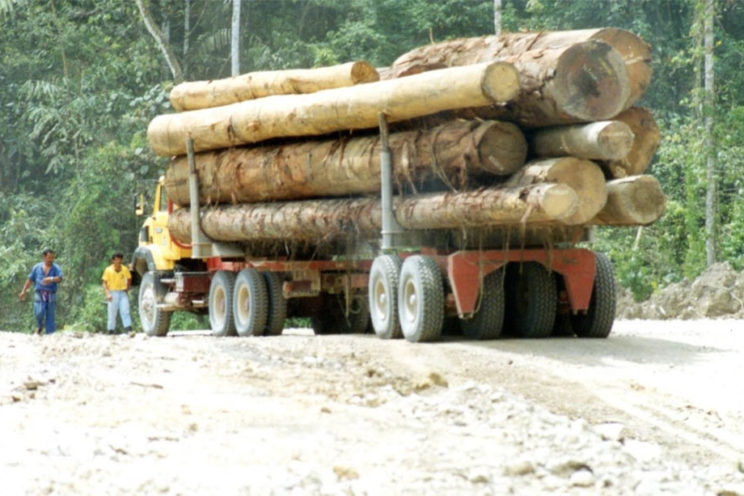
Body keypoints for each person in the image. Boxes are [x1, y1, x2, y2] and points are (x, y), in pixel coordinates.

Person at [19, 249, 63, 335]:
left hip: (51, 294)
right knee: (38, 312)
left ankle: (50, 335)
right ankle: (39, 326)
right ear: (44, 257)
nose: (51, 260)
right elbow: (30, 279)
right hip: (39, 293)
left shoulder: (56, 268)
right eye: (49, 257)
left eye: (52, 258)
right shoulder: (37, 267)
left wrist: (51, 279)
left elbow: (60, 278)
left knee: (50, 315)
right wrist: (23, 291)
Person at [101, 252, 132, 334]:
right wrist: (107, 294)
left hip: (122, 292)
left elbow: (129, 278)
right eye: (117, 259)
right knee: (112, 312)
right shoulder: (108, 270)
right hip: (112, 292)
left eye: (120, 259)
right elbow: (104, 283)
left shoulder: (124, 269)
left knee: (125, 310)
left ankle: (128, 329)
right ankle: (111, 330)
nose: (118, 261)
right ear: (113, 261)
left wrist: (127, 288)